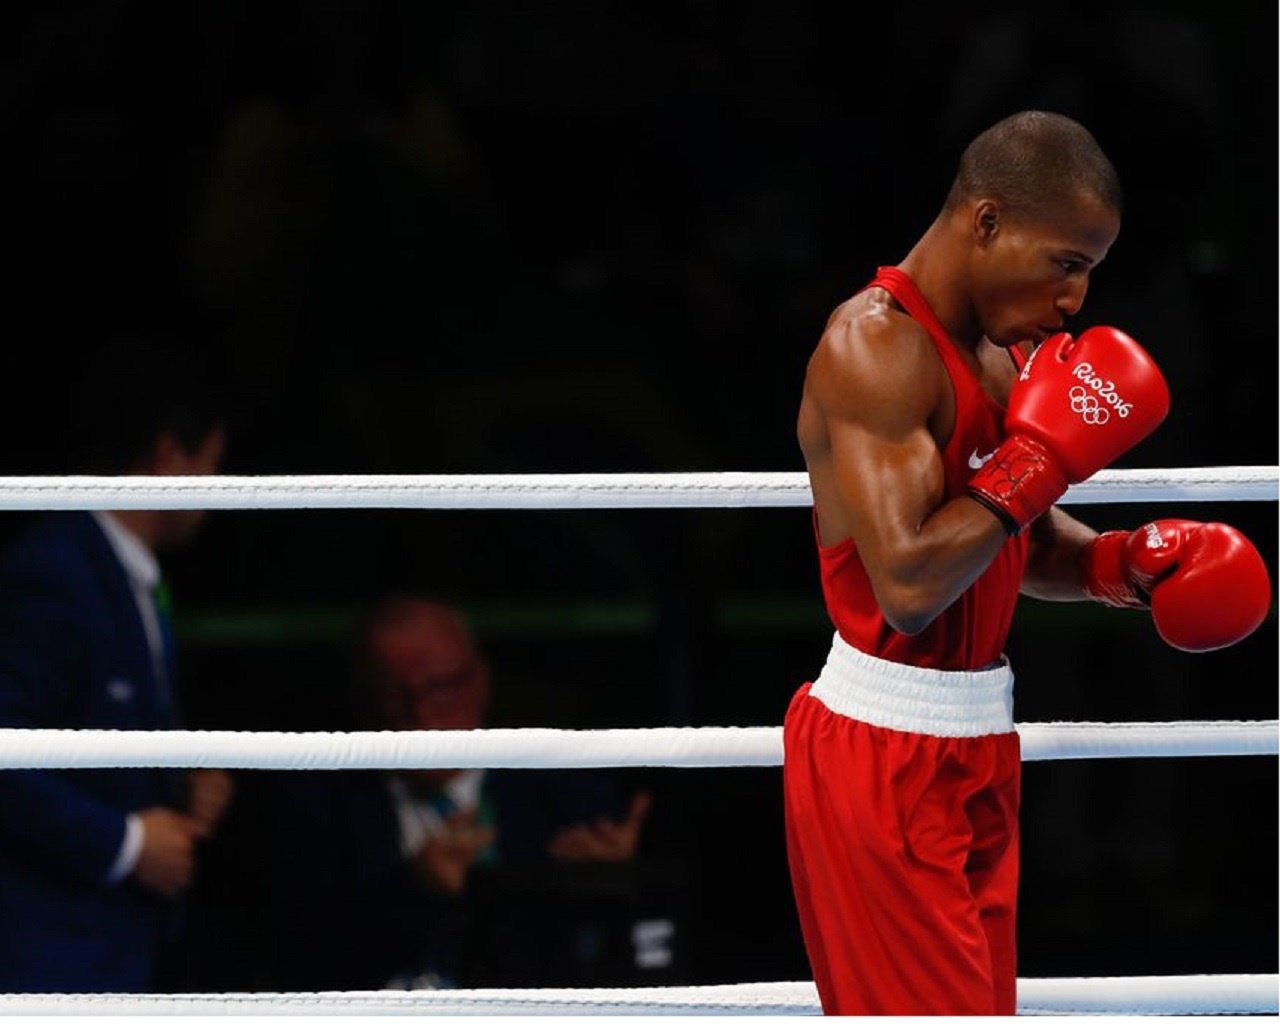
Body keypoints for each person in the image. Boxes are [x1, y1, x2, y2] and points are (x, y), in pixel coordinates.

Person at [782, 110, 1271, 1016]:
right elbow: (914, 583)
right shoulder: (875, 347)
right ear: (987, 221)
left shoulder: (1004, 359)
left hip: (977, 741)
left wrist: (1121, 565)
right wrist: (1039, 462)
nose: (1077, 300)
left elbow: (1012, 536)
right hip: (883, 744)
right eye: (1068, 263)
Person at [210, 596, 656, 991]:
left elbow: (627, 965)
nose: (422, 715)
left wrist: (609, 891)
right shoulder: (311, 801)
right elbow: (295, 965)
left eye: (442, 690)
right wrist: (414, 891)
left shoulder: (566, 794)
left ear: (481, 680)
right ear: (363, 702)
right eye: (396, 697)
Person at [0, 338, 235, 992]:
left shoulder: (124, 569)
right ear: (167, 457)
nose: (219, 492)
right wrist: (125, 842)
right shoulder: (55, 571)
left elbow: (93, 725)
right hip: (49, 953)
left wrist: (178, 776)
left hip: (109, 947)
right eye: (212, 466)